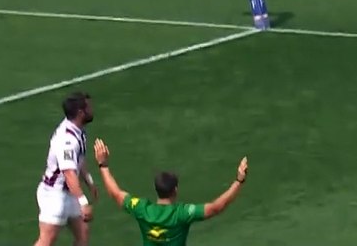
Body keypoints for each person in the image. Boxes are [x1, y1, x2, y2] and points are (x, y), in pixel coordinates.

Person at [91, 139, 248, 246]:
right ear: (175, 190)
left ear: (156, 189)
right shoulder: (182, 214)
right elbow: (216, 207)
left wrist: (103, 165)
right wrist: (239, 181)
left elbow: (116, 193)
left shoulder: (142, 209)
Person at [34, 92, 96, 246]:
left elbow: (78, 160)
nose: (92, 110)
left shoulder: (78, 130)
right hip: (55, 195)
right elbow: (68, 173)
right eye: (89, 107)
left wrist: (89, 182)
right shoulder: (67, 140)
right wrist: (83, 202)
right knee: (47, 240)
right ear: (80, 113)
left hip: (70, 193)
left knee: (83, 234)